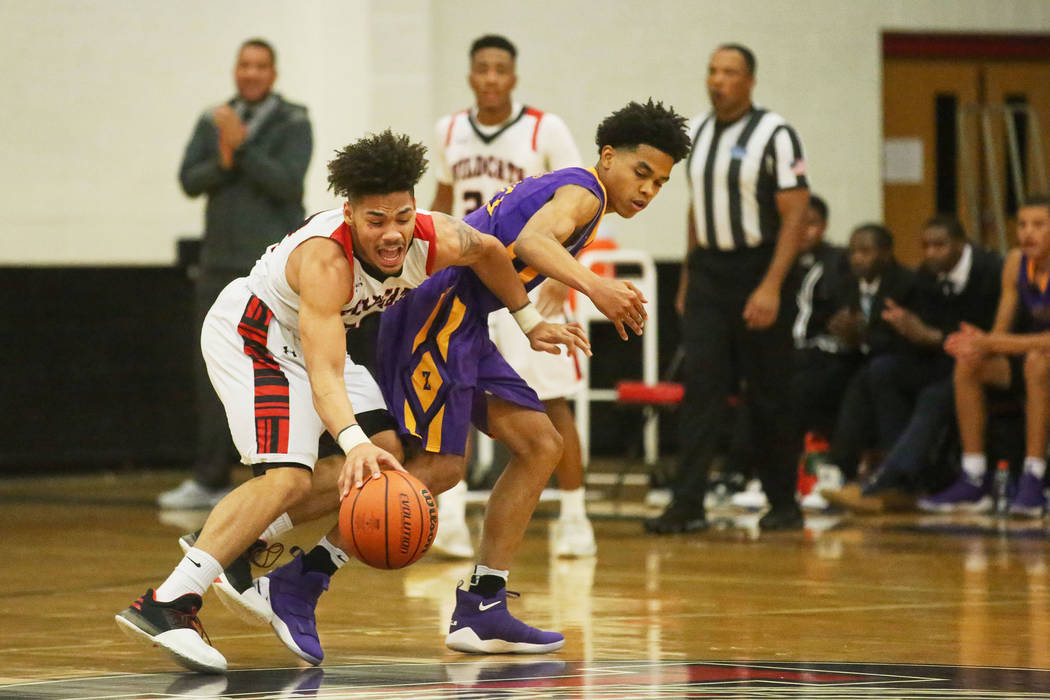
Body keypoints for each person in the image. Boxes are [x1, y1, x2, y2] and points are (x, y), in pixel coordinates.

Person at [212, 99, 691, 660]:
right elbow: (535, 243)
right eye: (641, 173)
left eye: (660, 182)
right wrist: (596, 287)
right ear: (608, 157)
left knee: (541, 445)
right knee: (440, 467)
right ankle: (286, 567)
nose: (648, 190)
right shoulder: (584, 192)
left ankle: (483, 604)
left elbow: (507, 249)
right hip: (437, 318)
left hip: (467, 325)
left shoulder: (582, 192)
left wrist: (529, 320)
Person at [115, 130, 586, 673]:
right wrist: (351, 441)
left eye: (402, 217)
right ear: (349, 212)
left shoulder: (437, 236)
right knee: (288, 477)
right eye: (375, 221)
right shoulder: (326, 261)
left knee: (389, 456)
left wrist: (528, 321)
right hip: (257, 337)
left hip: (317, 345)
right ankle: (168, 602)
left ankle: (239, 537)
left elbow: (490, 253)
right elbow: (323, 374)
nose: (392, 234)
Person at [428, 34, 593, 560]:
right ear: (471, 75)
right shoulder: (449, 131)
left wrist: (566, 279)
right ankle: (449, 518)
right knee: (457, 395)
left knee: (550, 402)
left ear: (513, 77)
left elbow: (580, 202)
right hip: (470, 284)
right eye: (483, 68)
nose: (492, 78)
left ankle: (574, 515)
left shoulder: (546, 129)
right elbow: (443, 206)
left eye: (502, 69)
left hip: (531, 281)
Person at [644, 44, 809, 534]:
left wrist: (772, 286)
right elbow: (699, 206)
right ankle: (688, 503)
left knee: (768, 393)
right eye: (712, 71)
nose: (717, 81)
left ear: (749, 81)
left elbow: (796, 215)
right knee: (701, 390)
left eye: (729, 73)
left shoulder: (776, 133)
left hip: (760, 268)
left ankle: (784, 503)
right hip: (710, 274)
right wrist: (690, 275)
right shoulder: (696, 132)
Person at [159, 38, 313, 510]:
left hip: (271, 268)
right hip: (218, 262)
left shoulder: (293, 120)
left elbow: (287, 182)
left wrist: (243, 149)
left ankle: (279, 475)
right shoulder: (215, 119)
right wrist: (222, 160)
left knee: (281, 368)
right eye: (244, 65)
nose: (251, 73)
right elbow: (189, 180)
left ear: (274, 72)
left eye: (260, 65)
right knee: (211, 369)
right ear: (235, 70)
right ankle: (208, 477)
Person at [823, 216, 1001, 512]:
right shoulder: (926, 276)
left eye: (939, 245)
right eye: (926, 246)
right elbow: (925, 337)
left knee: (935, 395)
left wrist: (928, 335)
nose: (931, 253)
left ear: (961, 244)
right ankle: (895, 479)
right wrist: (898, 332)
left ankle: (887, 480)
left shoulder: (989, 271)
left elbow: (986, 333)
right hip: (946, 358)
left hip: (987, 363)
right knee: (882, 370)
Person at [921, 197, 1050, 516]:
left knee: (1037, 362)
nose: (1027, 233)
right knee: (971, 364)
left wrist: (989, 341)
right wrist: (977, 344)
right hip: (1035, 357)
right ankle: (975, 476)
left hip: (1041, 359)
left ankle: (1034, 476)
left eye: (1038, 225)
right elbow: (999, 334)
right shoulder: (1015, 263)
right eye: (1022, 225)